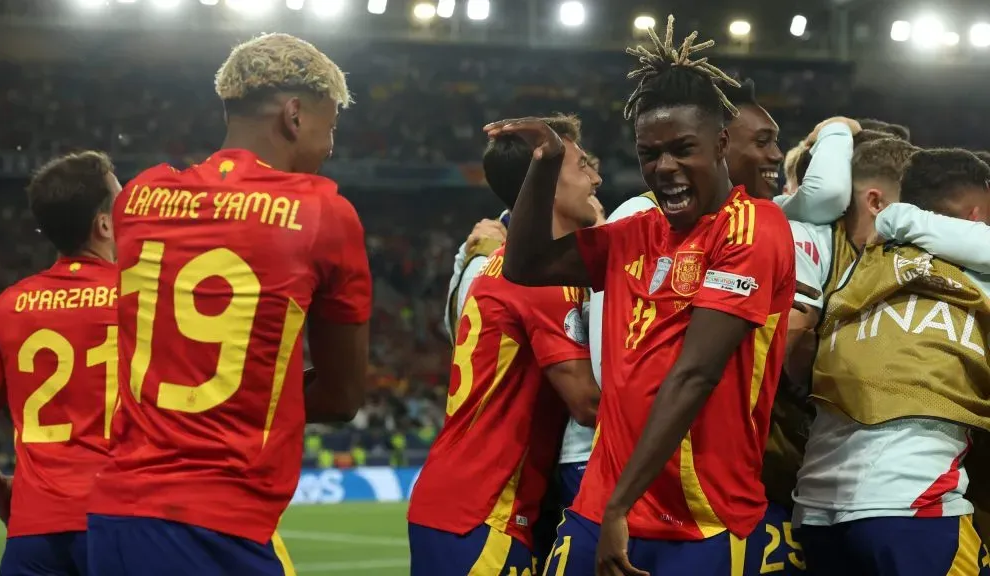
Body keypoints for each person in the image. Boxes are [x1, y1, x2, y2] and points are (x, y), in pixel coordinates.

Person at [493, 16, 797, 575]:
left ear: (721, 144)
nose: (665, 168)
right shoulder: (635, 231)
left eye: (683, 149)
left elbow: (694, 375)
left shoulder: (753, 227)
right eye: (649, 153)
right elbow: (526, 263)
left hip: (700, 519)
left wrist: (620, 506)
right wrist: (543, 166)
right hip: (601, 507)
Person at [85, 33, 372, 576]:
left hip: (115, 515)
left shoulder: (139, 197)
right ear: (294, 115)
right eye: (329, 127)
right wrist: (255, 395)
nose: (330, 147)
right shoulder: (325, 214)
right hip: (218, 523)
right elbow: (340, 397)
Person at [408, 114, 601, 576]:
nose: (596, 177)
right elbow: (588, 404)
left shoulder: (500, 261)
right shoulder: (542, 278)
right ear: (548, 183)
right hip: (484, 508)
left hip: (465, 501)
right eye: (582, 166)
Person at [796, 148, 990, 576]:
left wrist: (896, 217)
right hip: (913, 504)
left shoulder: (856, 267)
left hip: (815, 509)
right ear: (976, 216)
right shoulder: (979, 275)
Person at [0, 151, 122, 576]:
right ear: (104, 224)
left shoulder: (8, 306)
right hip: (121, 522)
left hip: (33, 533)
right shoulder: (141, 297)